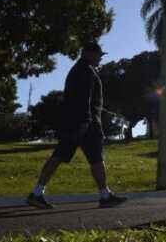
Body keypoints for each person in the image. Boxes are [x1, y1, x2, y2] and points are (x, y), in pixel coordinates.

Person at [26, 42, 127, 209]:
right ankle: (104, 195)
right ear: (88, 53)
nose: (100, 58)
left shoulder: (82, 70)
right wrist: (85, 122)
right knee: (82, 157)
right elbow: (83, 99)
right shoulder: (84, 71)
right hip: (84, 124)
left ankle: (38, 193)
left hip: (80, 122)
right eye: (98, 55)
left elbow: (86, 99)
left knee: (78, 157)